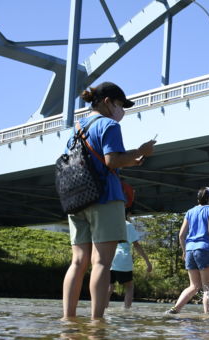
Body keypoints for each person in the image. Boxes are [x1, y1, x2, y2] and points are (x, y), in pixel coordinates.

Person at [62, 82, 156, 319]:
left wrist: (130, 161)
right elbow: (111, 161)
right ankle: (97, 321)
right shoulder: (109, 124)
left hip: (77, 198)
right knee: (102, 262)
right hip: (104, 197)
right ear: (107, 102)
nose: (122, 110)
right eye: (120, 105)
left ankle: (68, 318)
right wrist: (140, 151)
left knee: (78, 262)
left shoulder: (77, 127)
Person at [166, 187, 209, 315]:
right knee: (207, 289)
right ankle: (207, 318)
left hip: (190, 250)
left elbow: (181, 235)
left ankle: (174, 309)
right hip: (204, 250)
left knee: (193, 286)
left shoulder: (190, 211)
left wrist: (184, 251)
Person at [108, 208, 153, 308]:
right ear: (128, 214)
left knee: (110, 285)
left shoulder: (111, 224)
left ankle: (102, 308)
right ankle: (126, 311)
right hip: (123, 258)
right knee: (129, 286)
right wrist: (147, 262)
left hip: (110, 257)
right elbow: (136, 245)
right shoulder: (128, 225)